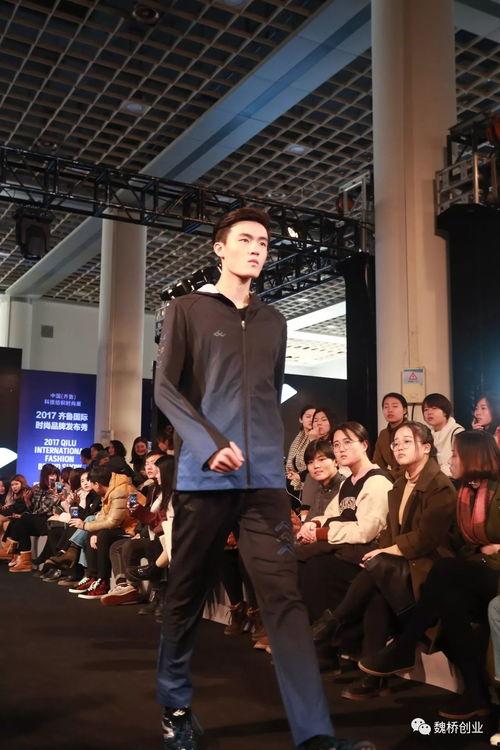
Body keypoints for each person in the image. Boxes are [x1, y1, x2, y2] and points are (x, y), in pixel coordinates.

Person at [154, 206, 373, 750]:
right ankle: (175, 708)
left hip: (264, 486)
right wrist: (209, 444)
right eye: (246, 239)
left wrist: (266, 455)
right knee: (185, 595)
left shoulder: (275, 320)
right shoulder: (186, 309)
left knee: (285, 599)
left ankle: (315, 735)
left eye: (265, 243)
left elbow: (270, 392)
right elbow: (166, 390)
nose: (257, 248)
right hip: (204, 482)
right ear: (219, 248)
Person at [358, 430, 500, 720]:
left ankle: (405, 646)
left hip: (495, 571)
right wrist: (481, 549)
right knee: (450, 601)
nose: (450, 459)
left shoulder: (492, 491)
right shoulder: (465, 491)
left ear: (473, 457)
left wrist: (494, 550)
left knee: (444, 570)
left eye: (456, 454)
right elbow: (464, 545)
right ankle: (476, 694)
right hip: (478, 569)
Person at [313, 422, 456, 700]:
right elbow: (390, 530)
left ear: (426, 448)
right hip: (400, 561)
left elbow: (427, 538)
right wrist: (384, 550)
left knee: (376, 568)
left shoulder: (440, 486)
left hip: (428, 564)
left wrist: (386, 551)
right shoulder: (400, 483)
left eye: (407, 442)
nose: (398, 447)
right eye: (396, 443)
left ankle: (332, 625)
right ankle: (374, 676)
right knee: (375, 583)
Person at [296, 423, 392, 629]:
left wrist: (321, 533)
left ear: (364, 445)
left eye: (347, 442)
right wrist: (313, 524)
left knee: (315, 567)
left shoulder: (377, 481)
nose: (341, 449)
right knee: (297, 559)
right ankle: (310, 630)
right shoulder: (348, 482)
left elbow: (365, 531)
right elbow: (331, 513)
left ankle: (330, 634)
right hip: (344, 545)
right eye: (337, 444)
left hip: (366, 553)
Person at [5, 464, 62, 572]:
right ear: (44, 476)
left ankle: (12, 551)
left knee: (24, 519)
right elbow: (34, 510)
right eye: (50, 474)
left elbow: (45, 510)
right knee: (20, 523)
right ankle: (24, 562)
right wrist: (27, 501)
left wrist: (55, 496)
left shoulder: (59, 489)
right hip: (37, 519)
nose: (53, 477)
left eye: (55, 474)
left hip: (49, 521)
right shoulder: (38, 488)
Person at [422, 393, 464, 476]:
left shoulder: (457, 432)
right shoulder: (427, 434)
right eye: (426, 409)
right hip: (434, 478)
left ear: (445, 412)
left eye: (434, 408)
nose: (429, 412)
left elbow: (462, 462)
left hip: (452, 479)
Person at [372, 392, 408, 479]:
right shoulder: (383, 434)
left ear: (404, 410)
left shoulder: (413, 431)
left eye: (395, 406)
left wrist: (389, 476)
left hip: (411, 477)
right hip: (390, 479)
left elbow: (411, 463)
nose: (390, 410)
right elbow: (377, 463)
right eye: (386, 407)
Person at [286, 404, 316, 492]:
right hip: (295, 480)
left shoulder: (318, 437)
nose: (311, 419)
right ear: (301, 419)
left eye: (314, 417)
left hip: (311, 481)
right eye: (308, 416)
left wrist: (299, 476)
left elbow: (314, 461)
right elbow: (291, 462)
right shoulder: (299, 437)